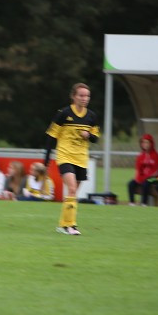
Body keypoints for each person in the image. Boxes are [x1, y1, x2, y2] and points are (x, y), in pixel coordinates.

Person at [44, 82, 100, 235]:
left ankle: (63, 225)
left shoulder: (91, 116)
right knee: (72, 188)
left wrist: (89, 135)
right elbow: (51, 135)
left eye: (87, 96)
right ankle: (72, 226)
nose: (84, 98)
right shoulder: (63, 113)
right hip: (65, 156)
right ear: (74, 96)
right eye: (81, 95)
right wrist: (47, 159)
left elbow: (96, 138)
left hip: (81, 158)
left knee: (72, 194)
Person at [127, 133, 158, 206]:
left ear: (151, 143)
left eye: (147, 142)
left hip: (154, 178)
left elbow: (156, 171)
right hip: (142, 177)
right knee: (130, 184)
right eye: (143, 142)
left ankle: (144, 203)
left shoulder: (156, 156)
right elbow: (138, 170)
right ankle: (132, 203)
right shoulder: (140, 156)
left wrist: (146, 177)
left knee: (146, 182)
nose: (145, 144)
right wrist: (139, 178)